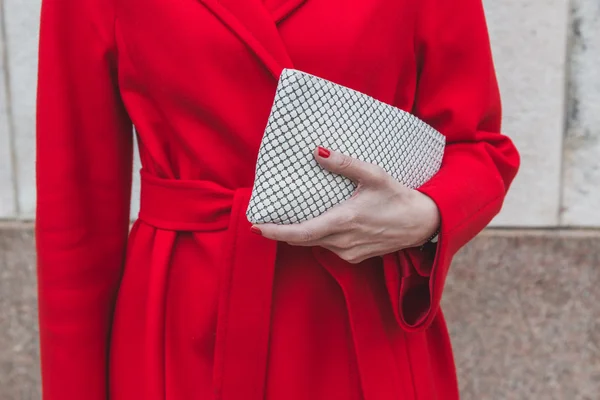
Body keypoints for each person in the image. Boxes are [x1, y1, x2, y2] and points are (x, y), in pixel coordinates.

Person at [35, 0, 520, 398]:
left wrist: (427, 214)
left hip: (358, 312)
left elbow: (477, 146)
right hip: (180, 321)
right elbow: (76, 213)